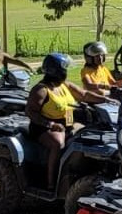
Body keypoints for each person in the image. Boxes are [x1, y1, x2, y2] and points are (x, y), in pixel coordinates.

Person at [26, 52, 113, 191]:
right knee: (58, 143)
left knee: (89, 134)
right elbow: (30, 112)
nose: (65, 72)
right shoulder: (41, 90)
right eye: (64, 69)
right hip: (45, 127)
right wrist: (50, 124)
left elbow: (84, 95)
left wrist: (106, 100)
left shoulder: (64, 85)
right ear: (56, 71)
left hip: (67, 122)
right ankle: (51, 182)